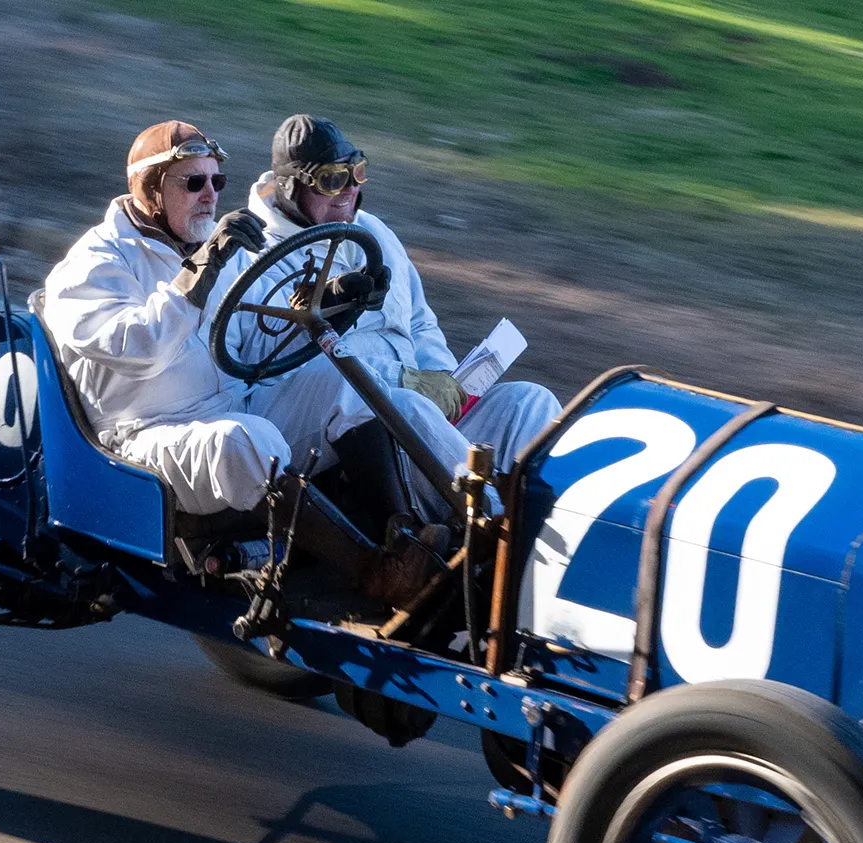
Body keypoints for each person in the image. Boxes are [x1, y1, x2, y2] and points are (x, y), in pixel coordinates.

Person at [40, 120, 432, 601]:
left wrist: (335, 304)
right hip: (144, 436)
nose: (210, 195)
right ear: (149, 190)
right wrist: (197, 277)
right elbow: (140, 349)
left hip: (233, 407)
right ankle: (372, 570)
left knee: (347, 377)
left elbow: (263, 351)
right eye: (193, 183)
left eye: (216, 182)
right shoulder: (93, 264)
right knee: (246, 440)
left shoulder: (218, 252)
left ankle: (405, 538)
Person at [240, 116, 560, 514]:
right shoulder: (256, 260)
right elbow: (284, 373)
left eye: (356, 173)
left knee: (530, 401)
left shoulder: (375, 232)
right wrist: (407, 383)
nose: (349, 190)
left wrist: (445, 383)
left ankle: (553, 514)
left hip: (415, 418)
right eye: (330, 180)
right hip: (334, 435)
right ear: (290, 186)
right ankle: (494, 526)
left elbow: (420, 322)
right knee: (407, 406)